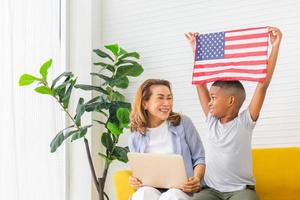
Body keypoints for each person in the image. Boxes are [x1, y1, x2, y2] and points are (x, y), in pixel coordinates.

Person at [184, 27, 282, 200]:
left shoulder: (244, 122)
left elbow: (262, 85)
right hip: (210, 190)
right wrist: (195, 51)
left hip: (240, 190)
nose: (209, 102)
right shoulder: (212, 120)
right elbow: (200, 84)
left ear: (231, 101)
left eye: (213, 97)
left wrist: (274, 46)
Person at [128, 79, 206, 200]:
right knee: (142, 194)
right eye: (160, 98)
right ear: (145, 104)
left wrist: (196, 179)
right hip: (152, 189)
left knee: (171, 196)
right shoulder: (136, 134)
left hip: (181, 191)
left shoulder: (183, 123)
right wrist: (134, 180)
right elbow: (138, 170)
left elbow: (199, 158)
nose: (167, 103)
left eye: (169, 98)